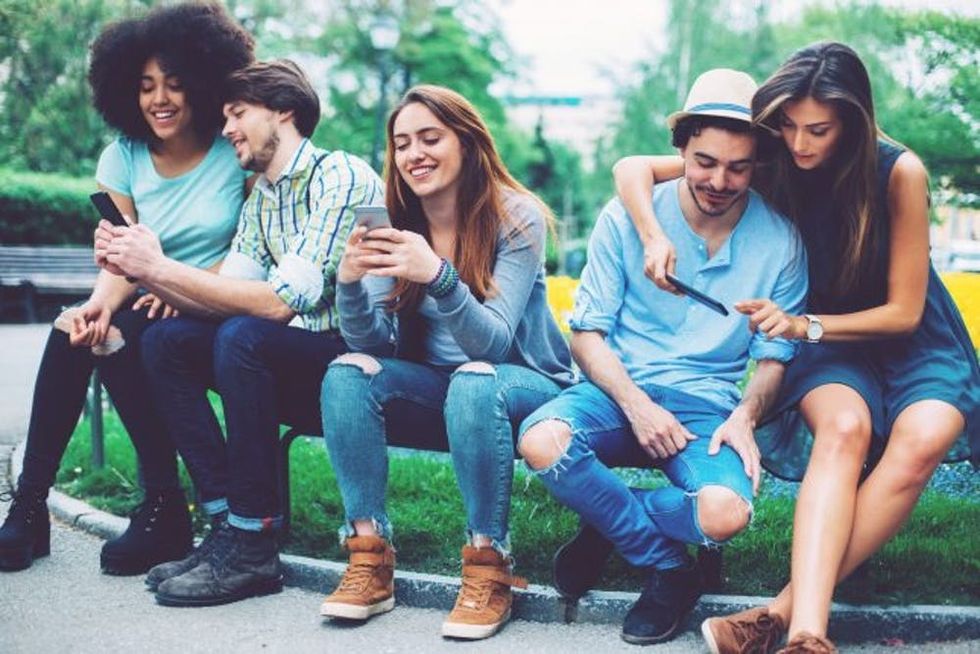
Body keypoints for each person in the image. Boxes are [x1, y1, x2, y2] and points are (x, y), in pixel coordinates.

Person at [613, 42, 979, 654]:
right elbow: (632, 168)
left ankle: (781, 615)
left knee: (926, 437)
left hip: (906, 339)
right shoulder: (770, 158)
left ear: (854, 123)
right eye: (787, 125)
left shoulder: (898, 171)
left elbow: (904, 312)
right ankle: (811, 636)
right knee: (842, 428)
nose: (801, 143)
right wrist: (652, 236)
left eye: (819, 129)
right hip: (821, 337)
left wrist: (804, 326)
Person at [517, 69, 809, 646]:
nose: (720, 180)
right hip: (616, 392)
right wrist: (637, 404)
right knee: (541, 441)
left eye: (738, 167)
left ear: (758, 165)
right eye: (705, 161)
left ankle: (612, 519)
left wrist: (746, 415)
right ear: (679, 152)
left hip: (708, 404)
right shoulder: (627, 215)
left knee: (725, 515)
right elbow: (587, 335)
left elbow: (774, 358)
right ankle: (670, 568)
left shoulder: (781, 241)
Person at [98, 59, 384, 607]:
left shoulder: (340, 175)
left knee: (243, 337)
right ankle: (227, 523)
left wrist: (159, 268)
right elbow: (224, 292)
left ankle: (254, 544)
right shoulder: (262, 201)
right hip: (284, 355)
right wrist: (133, 267)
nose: (226, 128)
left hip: (352, 360)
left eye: (237, 114)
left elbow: (278, 304)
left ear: (284, 110)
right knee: (167, 340)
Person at [0, 2, 254, 575]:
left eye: (174, 84)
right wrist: (93, 305)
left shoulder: (233, 150)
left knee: (128, 334)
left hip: (213, 302)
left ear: (204, 83)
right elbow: (118, 260)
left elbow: (253, 252)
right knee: (79, 331)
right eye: (145, 87)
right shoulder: (123, 156)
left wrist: (181, 280)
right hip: (144, 301)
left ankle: (165, 507)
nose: (159, 99)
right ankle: (32, 506)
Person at [317, 85, 575, 640]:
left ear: (467, 142)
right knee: (347, 372)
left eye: (430, 138)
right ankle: (369, 555)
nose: (415, 155)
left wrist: (436, 273)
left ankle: (488, 564)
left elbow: (493, 346)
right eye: (403, 143)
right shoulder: (397, 221)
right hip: (442, 384)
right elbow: (375, 346)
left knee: (475, 379)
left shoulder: (517, 217)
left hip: (524, 382)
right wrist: (350, 284)